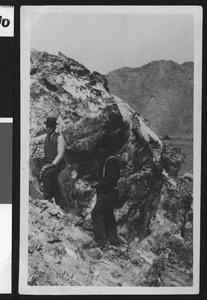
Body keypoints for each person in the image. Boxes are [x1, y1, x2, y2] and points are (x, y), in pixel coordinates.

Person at [91, 147, 121, 250]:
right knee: (108, 214)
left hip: (108, 193)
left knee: (96, 213)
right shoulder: (105, 161)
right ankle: (114, 240)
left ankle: (101, 241)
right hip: (108, 193)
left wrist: (99, 184)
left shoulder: (110, 161)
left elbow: (112, 178)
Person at [40, 117, 66, 209]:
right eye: (47, 126)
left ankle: (47, 197)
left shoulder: (59, 138)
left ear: (54, 127)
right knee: (54, 183)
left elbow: (60, 154)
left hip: (58, 164)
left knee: (47, 174)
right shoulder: (46, 137)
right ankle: (60, 204)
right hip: (48, 162)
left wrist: (52, 165)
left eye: (50, 127)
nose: (48, 128)